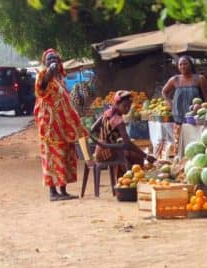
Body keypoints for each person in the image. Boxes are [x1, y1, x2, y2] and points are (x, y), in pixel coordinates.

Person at [34, 48, 88, 201]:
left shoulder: (61, 80)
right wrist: (49, 71)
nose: (53, 63)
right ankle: (53, 192)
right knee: (52, 158)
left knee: (66, 156)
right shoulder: (43, 77)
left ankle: (63, 191)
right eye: (50, 60)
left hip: (64, 127)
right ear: (45, 63)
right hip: (50, 128)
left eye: (55, 60)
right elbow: (42, 87)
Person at [90, 90, 155, 169]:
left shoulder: (107, 113)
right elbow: (128, 144)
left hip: (98, 152)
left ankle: (123, 177)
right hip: (107, 154)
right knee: (136, 156)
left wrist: (103, 140)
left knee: (127, 151)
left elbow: (92, 129)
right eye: (124, 106)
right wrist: (146, 156)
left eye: (129, 106)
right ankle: (130, 178)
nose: (127, 109)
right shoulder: (118, 121)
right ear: (116, 104)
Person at [161, 55, 207, 124]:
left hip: (195, 116)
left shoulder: (199, 79)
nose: (183, 66)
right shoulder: (175, 79)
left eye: (185, 64)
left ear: (190, 65)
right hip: (178, 116)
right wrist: (171, 104)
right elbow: (164, 92)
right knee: (181, 134)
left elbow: (206, 97)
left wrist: (206, 111)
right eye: (180, 64)